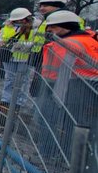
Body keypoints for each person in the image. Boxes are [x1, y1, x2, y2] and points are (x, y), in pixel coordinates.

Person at [41, 10, 98, 158]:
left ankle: (64, 155)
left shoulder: (67, 43)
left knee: (69, 123)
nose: (48, 31)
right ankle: (77, 157)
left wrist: (55, 93)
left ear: (62, 27)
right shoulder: (90, 41)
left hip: (74, 87)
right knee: (81, 123)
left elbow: (61, 69)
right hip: (89, 87)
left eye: (51, 27)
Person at [0, 8, 35, 107]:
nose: (19, 22)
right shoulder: (7, 27)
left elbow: (35, 43)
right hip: (8, 56)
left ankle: (19, 101)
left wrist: (23, 45)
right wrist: (0, 42)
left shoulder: (33, 29)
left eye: (20, 20)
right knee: (9, 78)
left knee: (23, 80)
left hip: (24, 57)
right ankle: (6, 99)